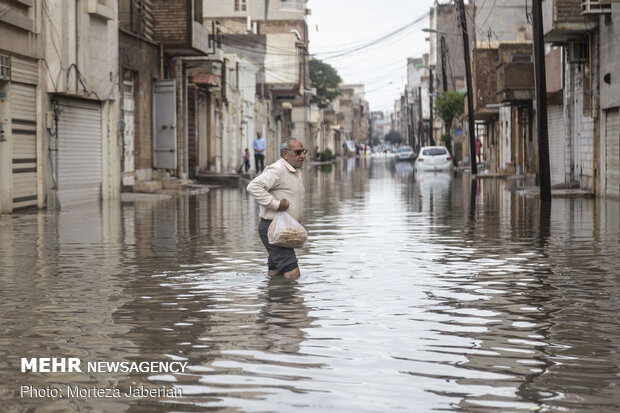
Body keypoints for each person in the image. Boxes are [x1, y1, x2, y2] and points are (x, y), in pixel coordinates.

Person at [246, 138, 307, 279]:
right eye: (298, 152)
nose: (303, 156)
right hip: (274, 227)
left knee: (276, 274)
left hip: (284, 230)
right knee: (293, 274)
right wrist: (276, 204)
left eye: (304, 152)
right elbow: (253, 187)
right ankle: (287, 299)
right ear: (286, 154)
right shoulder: (278, 169)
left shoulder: (293, 171)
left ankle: (274, 298)